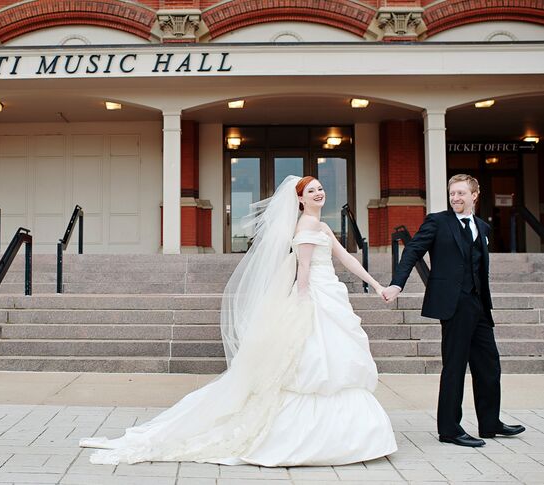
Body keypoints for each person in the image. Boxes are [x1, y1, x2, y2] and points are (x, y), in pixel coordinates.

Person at [80, 175, 396, 465]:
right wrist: (302, 305)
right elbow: (303, 271)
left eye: (320, 189)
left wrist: (377, 284)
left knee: (333, 364)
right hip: (314, 297)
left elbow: (346, 258)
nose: (319, 193)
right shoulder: (306, 228)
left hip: (330, 293)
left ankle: (345, 437)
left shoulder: (323, 227)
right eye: (311, 191)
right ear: (300, 200)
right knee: (313, 366)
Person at [382, 173, 525, 447]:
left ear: (474, 195)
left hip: (479, 304)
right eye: (452, 194)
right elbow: (412, 251)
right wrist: (397, 284)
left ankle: (490, 422)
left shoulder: (482, 228)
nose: (455, 198)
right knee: (455, 367)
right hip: (453, 304)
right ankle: (449, 429)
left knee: (489, 365)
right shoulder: (438, 222)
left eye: (461, 193)